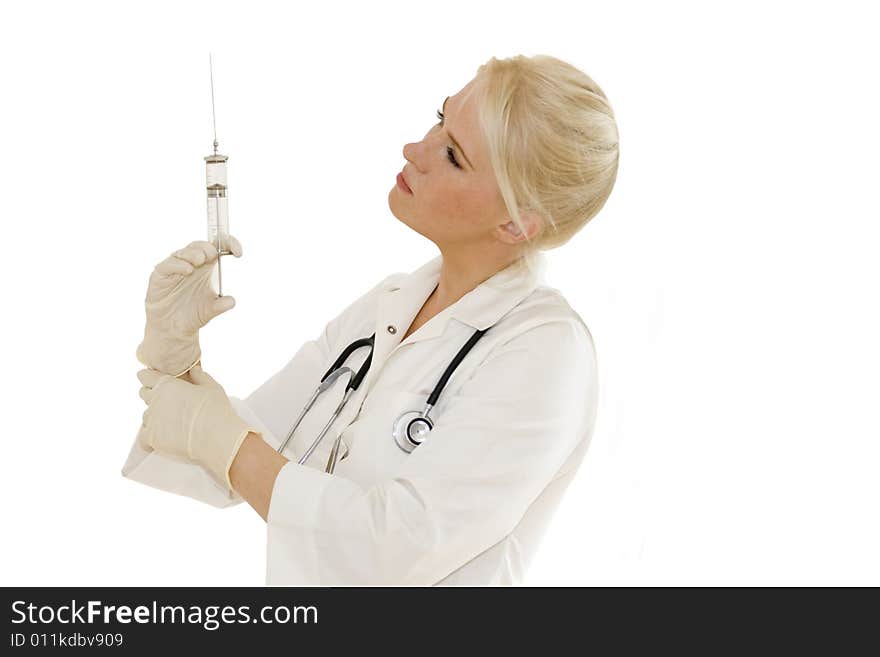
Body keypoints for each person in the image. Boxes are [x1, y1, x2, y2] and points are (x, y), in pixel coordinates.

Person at [123, 54, 620, 586]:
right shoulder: (388, 306)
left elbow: (393, 548)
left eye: (453, 155)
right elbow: (244, 455)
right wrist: (174, 359)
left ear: (517, 223)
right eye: (439, 118)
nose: (415, 150)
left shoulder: (545, 354)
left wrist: (220, 439)